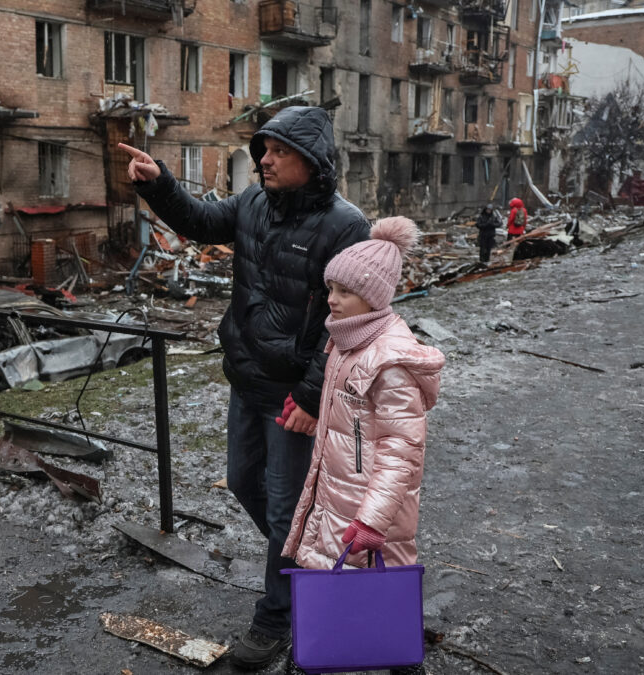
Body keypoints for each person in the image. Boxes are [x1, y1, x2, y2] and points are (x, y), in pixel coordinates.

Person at [119, 105, 370, 671]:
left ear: (311, 161)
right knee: (241, 483)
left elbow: (351, 323)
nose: (265, 160)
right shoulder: (254, 203)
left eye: (278, 152)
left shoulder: (345, 225)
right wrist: (161, 185)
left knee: (284, 509)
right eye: (263, 150)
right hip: (248, 378)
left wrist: (310, 396)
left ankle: (276, 617)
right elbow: (202, 222)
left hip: (292, 396)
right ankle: (305, 565)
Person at [281, 216, 445, 675]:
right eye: (329, 287)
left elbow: (401, 454)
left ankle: (396, 658)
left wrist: (372, 519)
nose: (331, 299)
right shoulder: (348, 341)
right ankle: (330, 650)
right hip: (339, 491)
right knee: (341, 579)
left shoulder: (389, 362)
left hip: (370, 507)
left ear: (372, 297)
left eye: (343, 292)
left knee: (382, 577)